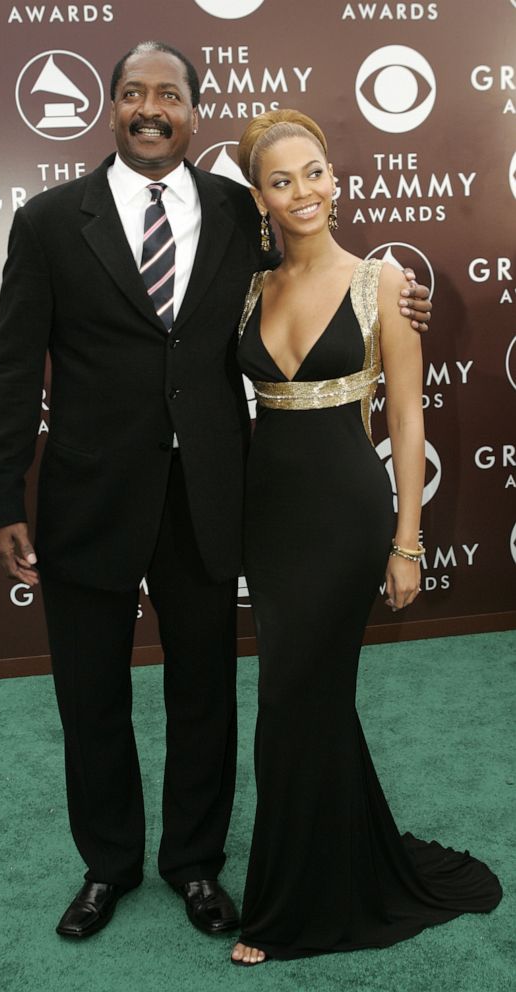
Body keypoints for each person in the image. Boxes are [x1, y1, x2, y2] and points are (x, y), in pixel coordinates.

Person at [0, 44, 432, 942]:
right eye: (135, 94)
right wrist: (1, 497)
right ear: (110, 107)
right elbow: (10, 366)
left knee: (204, 692)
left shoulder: (237, 209)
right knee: (91, 694)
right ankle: (107, 866)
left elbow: (316, 273)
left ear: (194, 112)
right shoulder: (45, 221)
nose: (153, 109)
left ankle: (194, 863)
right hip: (87, 500)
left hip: (211, 497)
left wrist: (400, 297)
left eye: (172, 96)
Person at [231, 109, 502, 965]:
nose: (302, 191)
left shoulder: (381, 281)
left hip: (347, 513)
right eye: (281, 181)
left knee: (291, 702)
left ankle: (282, 912)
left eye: (314, 172)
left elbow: (412, 418)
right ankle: (339, 864)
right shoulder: (247, 284)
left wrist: (408, 539)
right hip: (267, 516)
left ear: (335, 178)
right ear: (259, 197)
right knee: (303, 700)